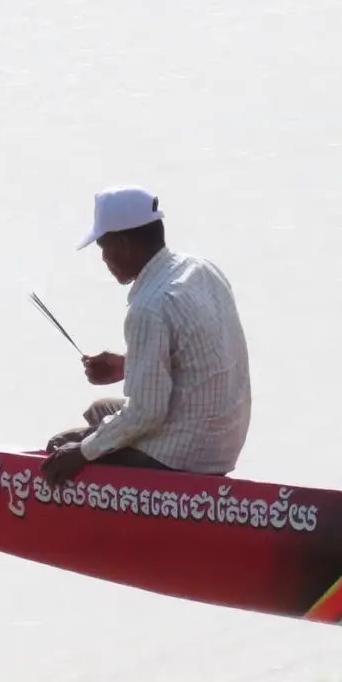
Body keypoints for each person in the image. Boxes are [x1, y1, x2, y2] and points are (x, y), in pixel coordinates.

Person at [41, 186, 251, 484]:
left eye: (104, 247)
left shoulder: (148, 307)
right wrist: (127, 364)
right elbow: (202, 354)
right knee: (99, 411)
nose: (103, 259)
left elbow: (146, 414)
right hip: (224, 444)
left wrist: (81, 452)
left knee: (60, 448)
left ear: (125, 244)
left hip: (186, 455)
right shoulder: (202, 270)